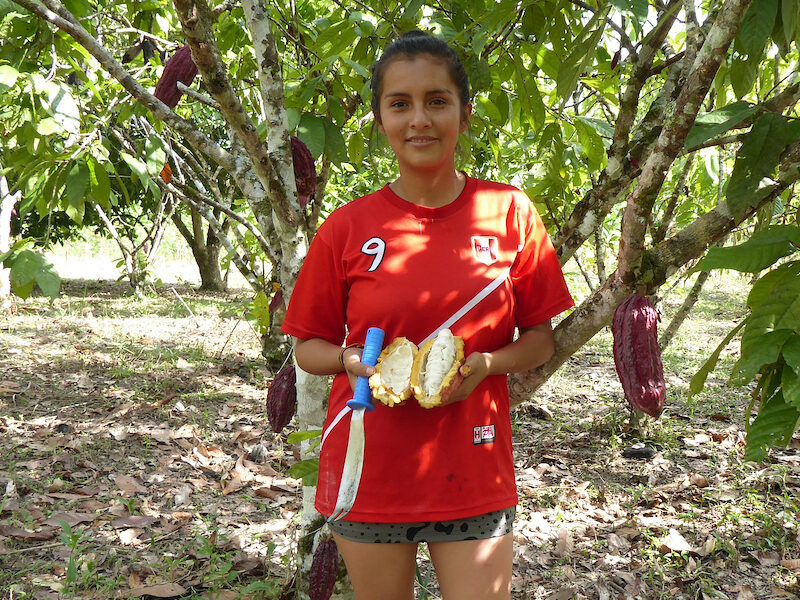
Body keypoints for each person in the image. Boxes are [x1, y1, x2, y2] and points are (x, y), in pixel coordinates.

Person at [281, 30, 574, 600]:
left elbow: (539, 340)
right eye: (401, 104)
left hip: (473, 464)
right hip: (370, 465)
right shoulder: (347, 229)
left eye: (437, 101)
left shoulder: (509, 213)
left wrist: (488, 362)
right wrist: (350, 362)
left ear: (464, 115)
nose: (420, 119)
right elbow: (306, 349)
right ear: (379, 120)